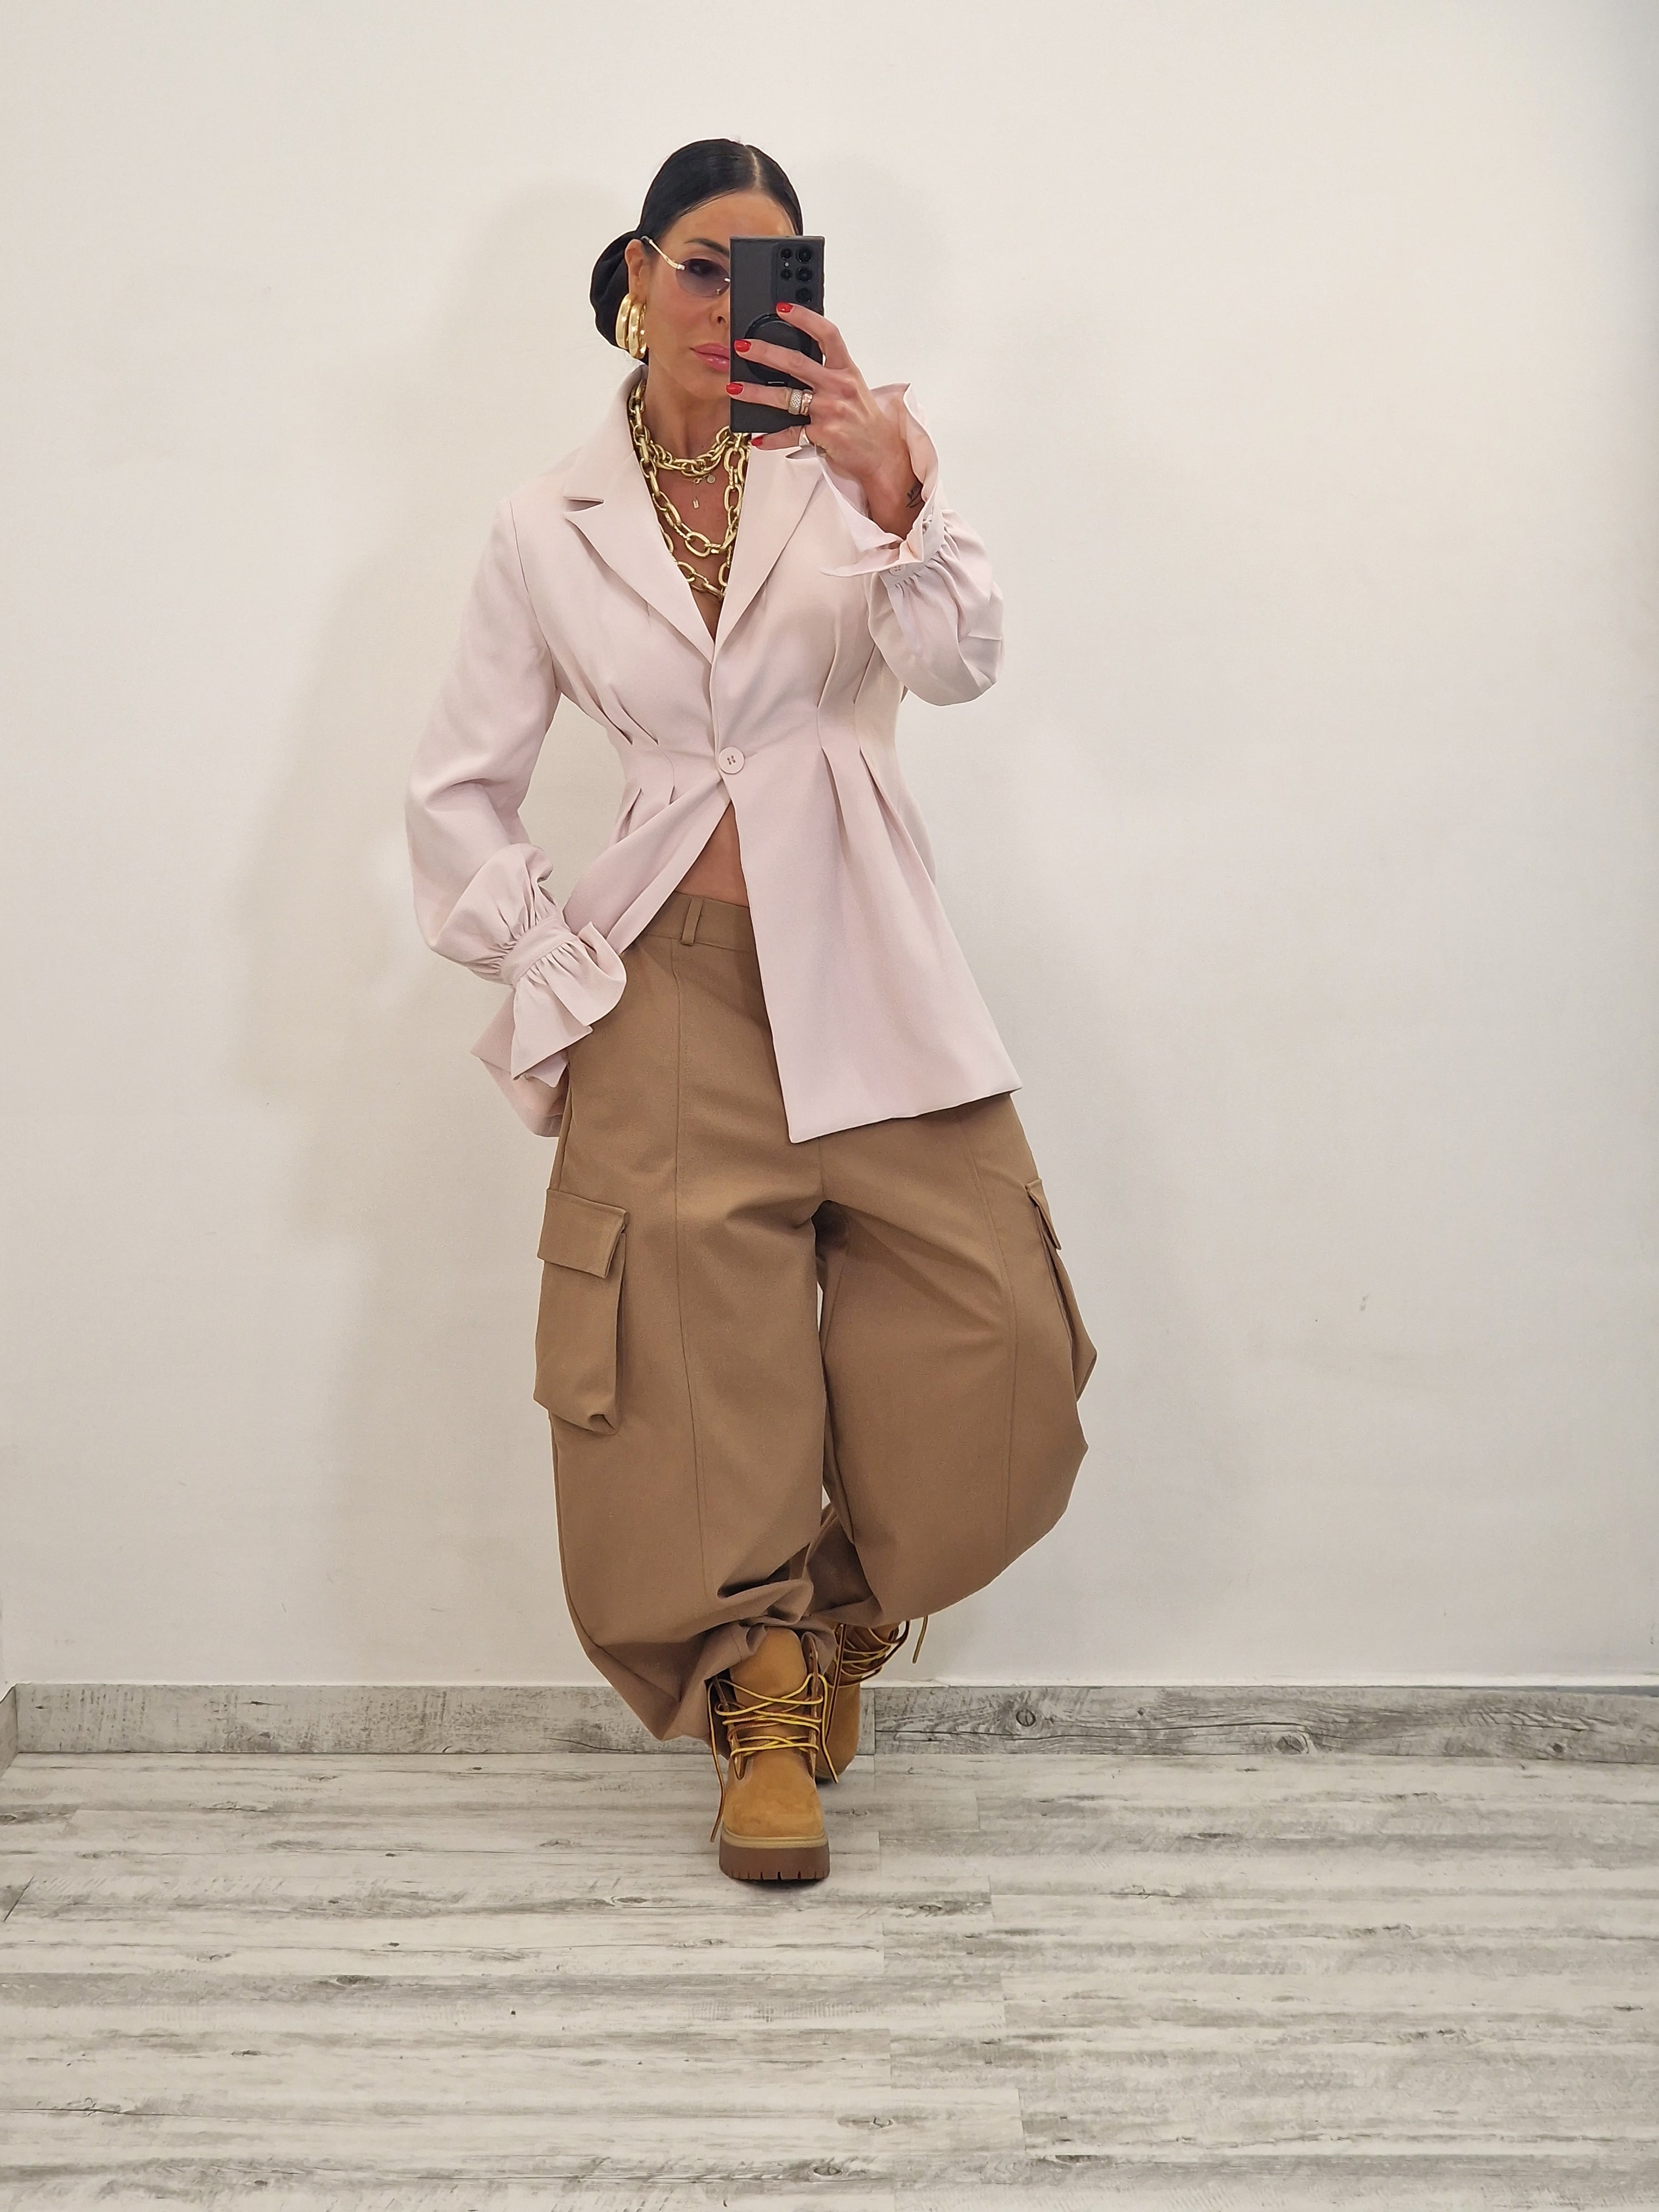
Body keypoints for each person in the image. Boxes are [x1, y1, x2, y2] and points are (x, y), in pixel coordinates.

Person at [405, 139, 1097, 1884]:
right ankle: (759, 1698)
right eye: (704, 267)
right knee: (689, 1373)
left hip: (869, 958)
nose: (732, 304)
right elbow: (457, 791)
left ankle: (841, 1620)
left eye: (770, 270)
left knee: (1003, 1340)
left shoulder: (856, 461)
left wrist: (895, 492)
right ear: (640, 276)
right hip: (669, 975)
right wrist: (557, 968)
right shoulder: (544, 523)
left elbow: (958, 666)